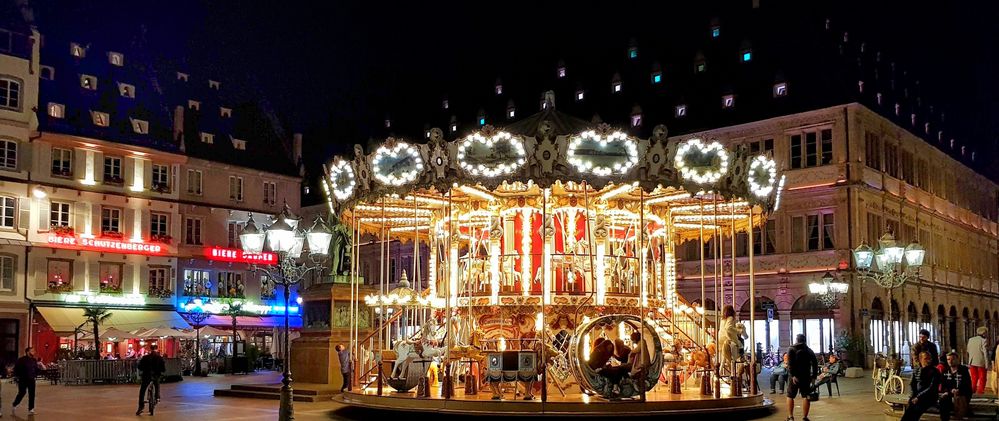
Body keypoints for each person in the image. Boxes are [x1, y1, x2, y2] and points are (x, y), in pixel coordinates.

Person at [786, 334, 818, 421]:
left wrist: (793, 375)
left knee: (790, 396)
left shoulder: (791, 349)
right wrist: (814, 377)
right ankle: (805, 417)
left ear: (796, 340)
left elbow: (790, 364)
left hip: (795, 377)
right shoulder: (809, 350)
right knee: (806, 396)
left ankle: (790, 417)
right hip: (806, 376)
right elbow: (815, 364)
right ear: (805, 340)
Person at [939, 351, 973, 421]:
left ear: (957, 359)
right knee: (943, 401)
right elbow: (943, 386)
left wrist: (959, 390)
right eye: (948, 359)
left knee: (959, 399)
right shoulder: (945, 371)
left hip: (962, 394)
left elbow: (968, 386)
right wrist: (949, 391)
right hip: (949, 394)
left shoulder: (963, 370)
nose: (950, 361)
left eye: (952, 359)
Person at [136, 344, 166, 416]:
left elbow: (139, 367)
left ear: (150, 349)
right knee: (157, 385)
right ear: (157, 349)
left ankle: (141, 407)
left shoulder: (145, 357)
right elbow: (163, 369)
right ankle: (157, 397)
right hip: (155, 376)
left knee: (142, 390)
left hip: (146, 376)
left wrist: (143, 370)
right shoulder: (159, 358)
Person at [12, 347, 38, 415]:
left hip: (31, 379)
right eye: (32, 351)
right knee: (22, 393)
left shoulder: (34, 360)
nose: (33, 352)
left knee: (32, 394)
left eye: (33, 351)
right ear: (27, 352)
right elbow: (16, 369)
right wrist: (16, 377)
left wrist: (36, 374)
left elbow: (36, 369)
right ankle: (15, 404)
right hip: (23, 379)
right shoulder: (21, 360)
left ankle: (31, 409)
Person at [966, 326, 989, 395]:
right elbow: (985, 353)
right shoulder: (984, 340)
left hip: (972, 361)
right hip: (981, 362)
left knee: (974, 378)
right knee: (982, 378)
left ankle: (972, 390)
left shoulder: (971, 339)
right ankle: (980, 392)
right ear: (984, 333)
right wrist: (987, 364)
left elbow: (968, 350)